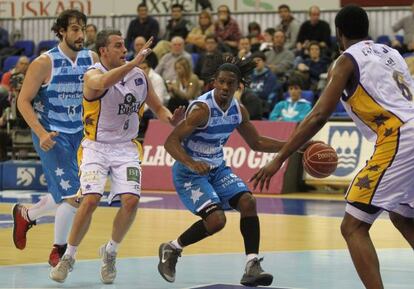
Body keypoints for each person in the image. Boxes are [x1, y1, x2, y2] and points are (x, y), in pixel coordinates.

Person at [251, 5, 414, 289]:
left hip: (398, 137)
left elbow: (318, 116)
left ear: (338, 33)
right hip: (409, 129)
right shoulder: (394, 54)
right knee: (403, 216)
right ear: (367, 29)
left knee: (352, 227)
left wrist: (280, 158)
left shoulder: (345, 61)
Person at [49, 31, 184, 284]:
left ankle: (110, 252)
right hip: (95, 148)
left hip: (126, 148)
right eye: (118, 46)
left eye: (125, 46)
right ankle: (69, 255)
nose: (125, 49)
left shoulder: (139, 76)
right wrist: (133, 63)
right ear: (103, 51)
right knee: (89, 200)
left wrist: (171, 120)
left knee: (131, 201)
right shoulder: (92, 74)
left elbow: (157, 108)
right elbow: (101, 84)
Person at [157, 56, 282, 287]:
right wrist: (192, 163)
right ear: (214, 82)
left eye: (230, 83)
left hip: (217, 168)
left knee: (248, 201)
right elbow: (171, 142)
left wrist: (293, 145)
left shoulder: (239, 110)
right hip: (189, 172)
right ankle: (172, 248)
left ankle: (252, 264)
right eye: (221, 82)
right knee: (216, 221)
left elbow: (257, 143)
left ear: (238, 86)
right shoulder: (202, 110)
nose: (225, 87)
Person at [13, 9, 98, 267]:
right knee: (74, 195)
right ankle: (59, 250)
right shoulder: (44, 63)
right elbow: (22, 101)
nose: (80, 34)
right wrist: (40, 133)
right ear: (61, 31)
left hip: (81, 135)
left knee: (71, 192)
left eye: (83, 28)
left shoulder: (91, 58)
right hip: (51, 133)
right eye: (74, 29)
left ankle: (26, 215)